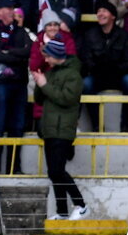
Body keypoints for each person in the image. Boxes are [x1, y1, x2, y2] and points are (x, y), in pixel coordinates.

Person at [33, 38, 87, 221]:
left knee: (57, 171)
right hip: (49, 129)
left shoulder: (73, 75)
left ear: (56, 56)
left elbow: (66, 99)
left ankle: (81, 204)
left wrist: (44, 85)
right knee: (53, 172)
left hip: (63, 129)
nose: (46, 60)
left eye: (48, 56)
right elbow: (40, 98)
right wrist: (39, 83)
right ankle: (63, 211)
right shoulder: (50, 72)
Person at [79, 1, 128, 131]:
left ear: (113, 16)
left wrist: (114, 69)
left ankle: (126, 125)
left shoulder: (125, 36)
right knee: (86, 84)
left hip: (118, 76)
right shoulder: (90, 34)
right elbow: (86, 59)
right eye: (98, 11)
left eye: (104, 11)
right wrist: (98, 69)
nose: (100, 14)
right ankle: (97, 125)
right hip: (98, 76)